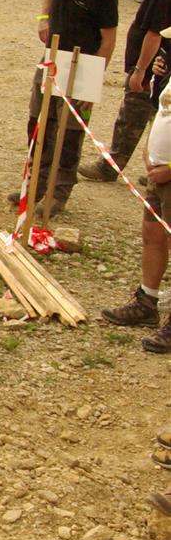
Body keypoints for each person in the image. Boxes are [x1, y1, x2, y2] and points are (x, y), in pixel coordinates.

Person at [8, 0, 118, 216]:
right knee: (38, 121)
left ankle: (59, 192)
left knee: (68, 133)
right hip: (52, 57)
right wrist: (44, 18)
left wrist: (91, 82)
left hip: (82, 64)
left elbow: (108, 40)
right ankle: (36, 183)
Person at [81, 0, 171, 184]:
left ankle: (111, 166)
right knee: (158, 119)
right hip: (161, 67)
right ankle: (157, 168)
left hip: (153, 68)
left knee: (131, 116)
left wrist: (140, 70)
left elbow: (153, 34)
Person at [101, 81, 171, 352]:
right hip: (158, 174)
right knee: (152, 236)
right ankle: (147, 301)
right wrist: (150, 150)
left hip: (167, 173)